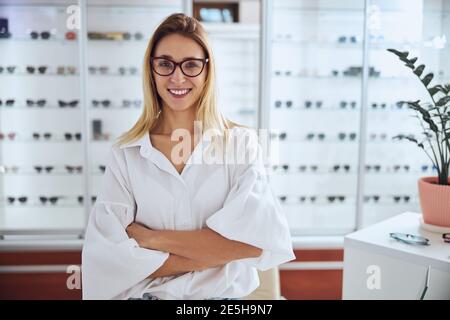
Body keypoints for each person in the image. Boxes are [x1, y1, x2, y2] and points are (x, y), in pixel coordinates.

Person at [81, 13, 295, 300]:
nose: (177, 77)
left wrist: (152, 240)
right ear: (151, 70)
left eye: (191, 65)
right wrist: (217, 250)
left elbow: (254, 244)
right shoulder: (126, 153)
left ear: (208, 71)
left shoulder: (240, 144)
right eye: (165, 64)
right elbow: (108, 260)